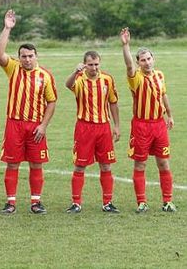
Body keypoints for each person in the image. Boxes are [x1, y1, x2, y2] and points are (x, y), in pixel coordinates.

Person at [0, 9, 57, 215]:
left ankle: (35, 202)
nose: (27, 60)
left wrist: (44, 125)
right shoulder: (13, 68)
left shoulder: (45, 76)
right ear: (19, 57)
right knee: (12, 164)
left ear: (36, 56)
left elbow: (51, 102)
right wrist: (7, 28)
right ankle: (10, 202)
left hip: (35, 126)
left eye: (30, 56)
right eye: (23, 56)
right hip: (14, 123)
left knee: (36, 163)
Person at [120, 27, 176, 213]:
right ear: (138, 62)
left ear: (154, 59)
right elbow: (128, 66)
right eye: (142, 60)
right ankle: (141, 202)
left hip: (159, 124)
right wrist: (126, 46)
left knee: (163, 162)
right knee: (140, 163)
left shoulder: (159, 75)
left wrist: (169, 114)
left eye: (148, 58)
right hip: (141, 126)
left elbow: (163, 94)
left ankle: (167, 201)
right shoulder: (135, 77)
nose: (146, 62)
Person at [64, 51, 121, 214]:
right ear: (84, 64)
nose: (94, 68)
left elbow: (113, 103)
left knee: (106, 165)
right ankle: (76, 203)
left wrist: (116, 126)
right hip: (84, 127)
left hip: (103, 127)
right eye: (90, 64)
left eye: (96, 64)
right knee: (80, 166)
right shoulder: (79, 79)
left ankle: (107, 202)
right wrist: (75, 71)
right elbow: (67, 85)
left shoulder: (107, 79)